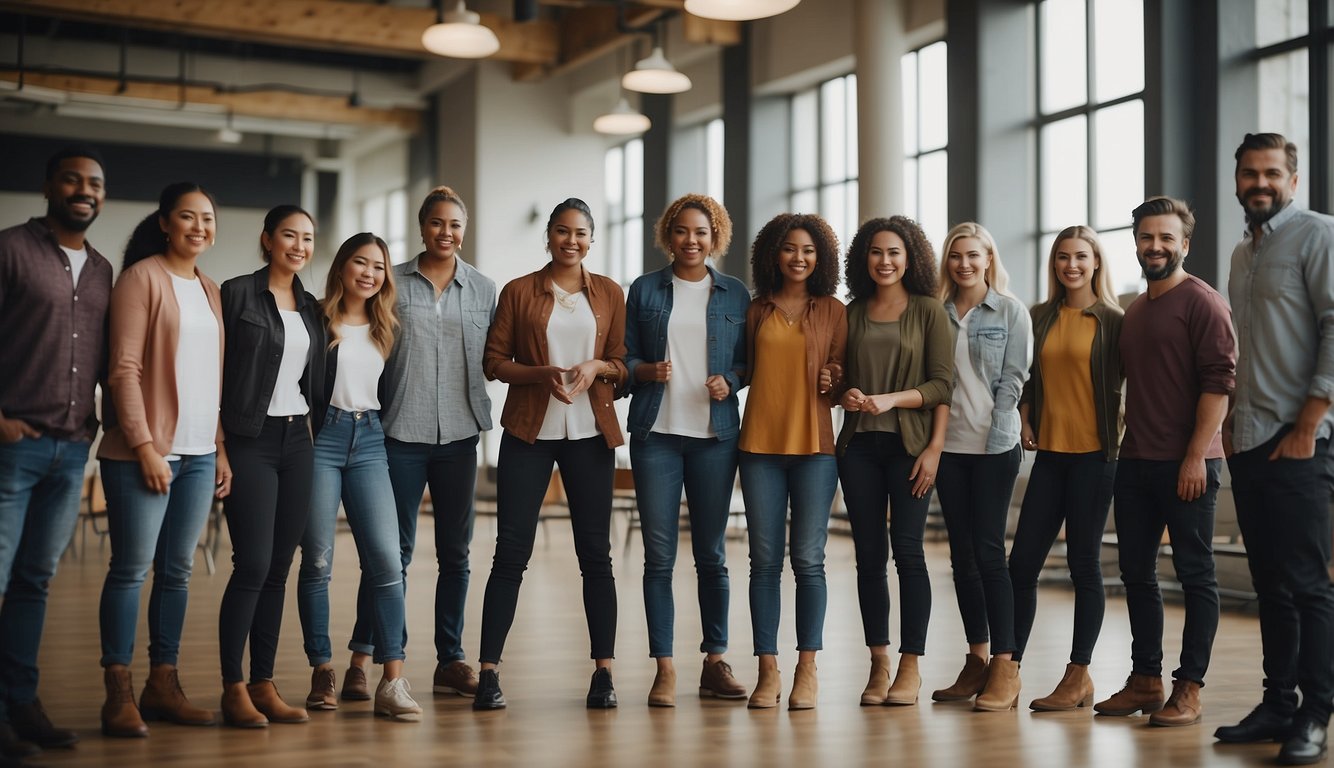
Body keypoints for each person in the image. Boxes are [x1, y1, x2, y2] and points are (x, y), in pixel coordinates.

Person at [332, 187, 495, 704]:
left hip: (459, 437)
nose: (446, 233)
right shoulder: (391, 282)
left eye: (455, 225)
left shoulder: (484, 289)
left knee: (457, 554)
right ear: (422, 226)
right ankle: (365, 658)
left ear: (463, 231)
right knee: (389, 554)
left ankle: (451, 660)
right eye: (437, 223)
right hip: (398, 433)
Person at [474, 198, 627, 710]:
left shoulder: (608, 293)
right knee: (510, 553)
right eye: (562, 232)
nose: (571, 241)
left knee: (595, 556)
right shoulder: (519, 292)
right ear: (549, 236)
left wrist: (597, 366)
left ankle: (604, 673)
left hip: (590, 434)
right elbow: (494, 362)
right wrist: (544, 374)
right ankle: (489, 673)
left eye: (581, 233)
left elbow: (622, 363)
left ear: (591, 238)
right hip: (528, 433)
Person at [1214, 133, 1334, 766]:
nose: (1259, 183)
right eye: (1248, 173)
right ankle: (1278, 703)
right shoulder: (1242, 254)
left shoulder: (1317, 235)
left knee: (1310, 586)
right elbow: (1248, 349)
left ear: (1293, 177)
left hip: (1301, 441)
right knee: (1270, 583)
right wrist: (1233, 421)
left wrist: (1310, 420)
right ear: (1237, 180)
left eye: (1271, 173)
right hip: (1252, 438)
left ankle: (1316, 713)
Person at [1093, 196, 1234, 728]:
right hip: (1136, 463)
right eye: (1147, 237)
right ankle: (1146, 679)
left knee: (1195, 574)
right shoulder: (1135, 310)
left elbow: (1220, 385)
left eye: (1166, 238)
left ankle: (1189, 686)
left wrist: (1196, 455)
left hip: (1189, 464)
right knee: (1136, 573)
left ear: (1185, 244)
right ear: (1136, 243)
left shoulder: (1203, 303)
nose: (1155, 246)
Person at [96, 182, 229, 738]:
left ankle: (163, 682)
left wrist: (219, 447)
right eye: (187, 217)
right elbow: (122, 370)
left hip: (200, 454)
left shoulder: (210, 289)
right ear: (165, 223)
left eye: (207, 217)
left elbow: (212, 377)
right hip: (143, 455)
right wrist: (146, 445)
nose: (199, 226)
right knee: (130, 570)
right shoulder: (140, 278)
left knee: (176, 573)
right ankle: (118, 691)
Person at [0, 146, 112, 759]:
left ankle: (21, 703)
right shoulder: (10, 250)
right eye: (72, 178)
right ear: (49, 185)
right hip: (14, 445)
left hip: (71, 452)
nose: (84, 189)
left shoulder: (100, 270)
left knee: (34, 582)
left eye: (95, 182)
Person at [624, 194, 751, 707]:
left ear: (715, 236)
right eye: (682, 231)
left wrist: (734, 381)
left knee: (712, 556)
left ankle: (715, 660)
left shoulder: (735, 294)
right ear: (668, 235)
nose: (691, 240)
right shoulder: (644, 290)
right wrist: (643, 370)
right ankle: (665, 667)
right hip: (656, 434)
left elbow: (749, 361)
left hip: (714, 438)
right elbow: (623, 354)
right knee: (659, 557)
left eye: (702, 231)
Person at [295, 233, 420, 721]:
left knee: (388, 562)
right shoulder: (315, 319)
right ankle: (322, 670)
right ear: (342, 267)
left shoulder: (387, 325)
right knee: (318, 561)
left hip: (369, 440)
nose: (369, 273)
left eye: (378, 266)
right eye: (360, 263)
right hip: (320, 439)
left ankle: (392, 680)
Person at [216, 205, 325, 728]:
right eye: (289, 235)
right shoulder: (235, 293)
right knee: (253, 564)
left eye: (307, 238)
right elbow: (212, 372)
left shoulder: (311, 308)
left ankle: (263, 682)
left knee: (280, 568)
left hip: (296, 440)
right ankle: (232, 687)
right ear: (267, 239)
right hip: (249, 440)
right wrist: (219, 446)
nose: (299, 246)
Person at [836, 216, 951, 708]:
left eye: (895, 252)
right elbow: (839, 380)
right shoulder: (853, 311)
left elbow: (942, 386)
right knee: (868, 558)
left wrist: (932, 448)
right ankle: (878, 662)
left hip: (910, 449)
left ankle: (910, 665)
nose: (885, 261)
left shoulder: (929, 311)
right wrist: (848, 391)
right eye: (877, 252)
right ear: (865, 258)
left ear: (911, 259)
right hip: (859, 448)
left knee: (908, 552)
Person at [1008, 225, 1123, 711]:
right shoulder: (1041, 315)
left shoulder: (1115, 320)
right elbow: (1030, 377)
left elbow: (1135, 383)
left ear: (1096, 262)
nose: (1070, 265)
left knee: (1083, 565)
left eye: (1080, 256)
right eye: (1062, 257)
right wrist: (1026, 416)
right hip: (1051, 455)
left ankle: (1079, 674)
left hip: (1096, 459)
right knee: (1021, 566)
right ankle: (1006, 668)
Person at [739, 212, 845, 711]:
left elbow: (845, 370)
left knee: (808, 561)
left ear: (819, 257)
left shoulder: (833, 310)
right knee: (764, 563)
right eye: (789, 249)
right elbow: (741, 366)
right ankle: (767, 669)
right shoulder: (755, 309)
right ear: (773, 255)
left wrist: (834, 377)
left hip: (815, 451)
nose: (798, 258)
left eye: (807, 250)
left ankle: (807, 668)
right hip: (759, 447)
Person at [930, 222, 1031, 711]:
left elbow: (1014, 379)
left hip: (993, 448)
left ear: (988, 259)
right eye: (956, 256)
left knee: (990, 552)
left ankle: (1006, 667)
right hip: (947, 449)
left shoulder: (1011, 311)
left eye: (973, 255)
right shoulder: (936, 313)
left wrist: (996, 427)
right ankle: (977, 660)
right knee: (961, 558)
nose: (964, 264)